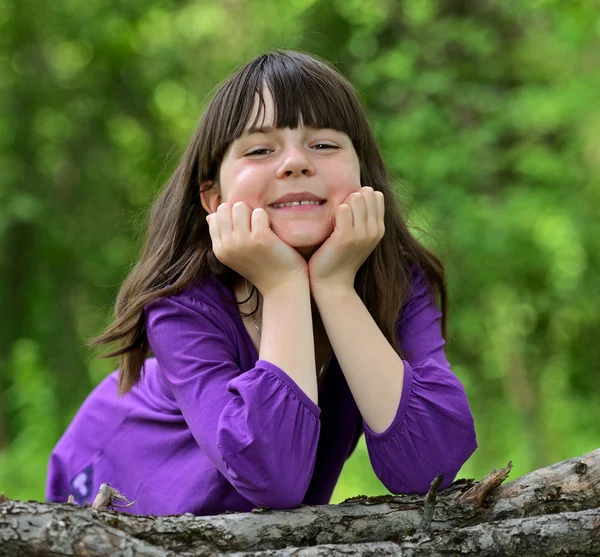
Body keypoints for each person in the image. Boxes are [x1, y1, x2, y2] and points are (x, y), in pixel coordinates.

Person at [46, 50, 477, 516]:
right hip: (118, 473)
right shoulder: (183, 301)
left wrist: (334, 287)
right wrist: (284, 285)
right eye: (259, 150)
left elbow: (428, 470)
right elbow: (271, 477)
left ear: (363, 178)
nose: (295, 163)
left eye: (325, 145)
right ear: (214, 199)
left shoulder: (398, 284)